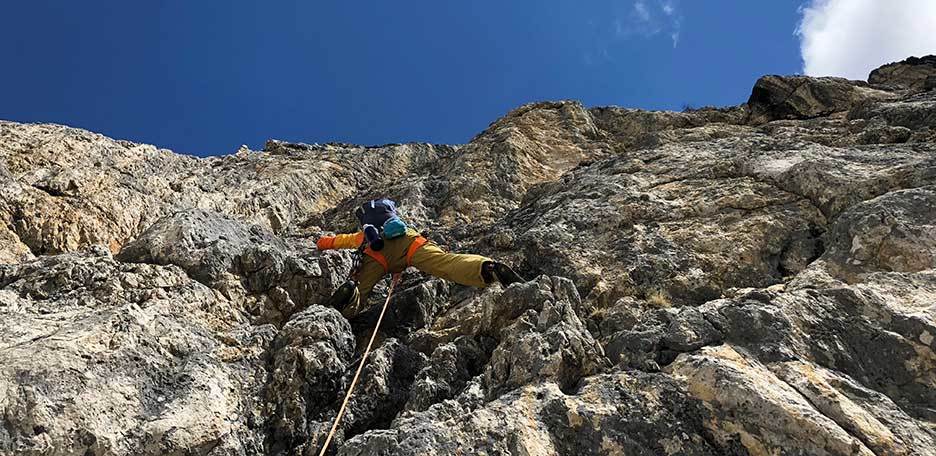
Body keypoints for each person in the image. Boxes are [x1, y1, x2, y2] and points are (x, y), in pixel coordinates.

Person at [316, 198, 524, 318]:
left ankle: (348, 298)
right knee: (446, 263)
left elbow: (337, 241)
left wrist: (321, 242)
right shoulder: (402, 228)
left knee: (361, 290)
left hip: (375, 252)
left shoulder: (364, 234)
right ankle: (487, 268)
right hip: (410, 242)